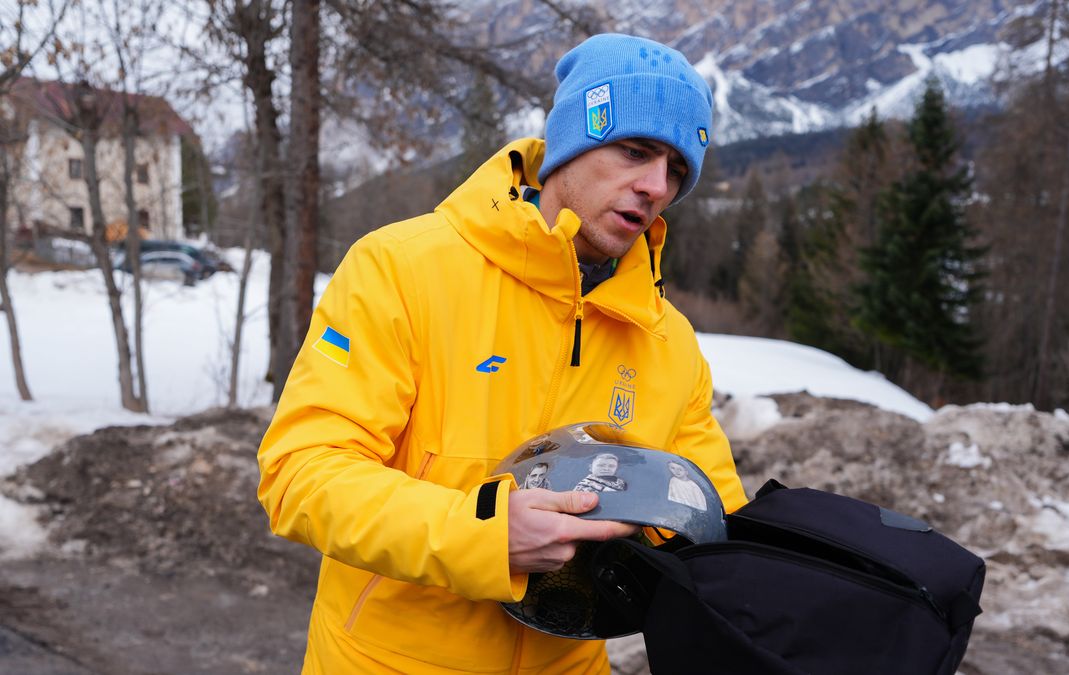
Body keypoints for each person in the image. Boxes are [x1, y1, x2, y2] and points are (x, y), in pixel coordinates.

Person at [257, 32, 747, 675]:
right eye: (636, 151)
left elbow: (713, 520)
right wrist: (486, 534)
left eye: (677, 170)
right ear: (574, 138)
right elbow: (301, 474)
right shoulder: (402, 269)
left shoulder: (666, 339)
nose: (656, 185)